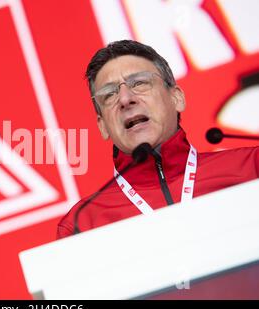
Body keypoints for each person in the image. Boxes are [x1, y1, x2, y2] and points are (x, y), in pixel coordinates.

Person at [57, 40, 259, 239]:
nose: (126, 99)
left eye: (140, 83)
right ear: (102, 126)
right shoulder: (82, 224)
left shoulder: (251, 168)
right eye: (109, 95)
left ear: (176, 98)